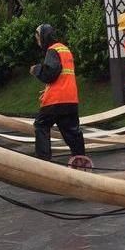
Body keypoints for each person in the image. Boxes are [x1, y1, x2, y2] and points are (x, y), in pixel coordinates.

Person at [29, 24, 86, 162]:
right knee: (71, 131)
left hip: (56, 100)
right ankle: (80, 159)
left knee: (41, 125)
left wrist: (36, 69)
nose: (37, 41)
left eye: (38, 37)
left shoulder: (52, 50)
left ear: (44, 36)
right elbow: (62, 77)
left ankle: (44, 161)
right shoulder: (64, 49)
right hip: (70, 99)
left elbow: (51, 73)